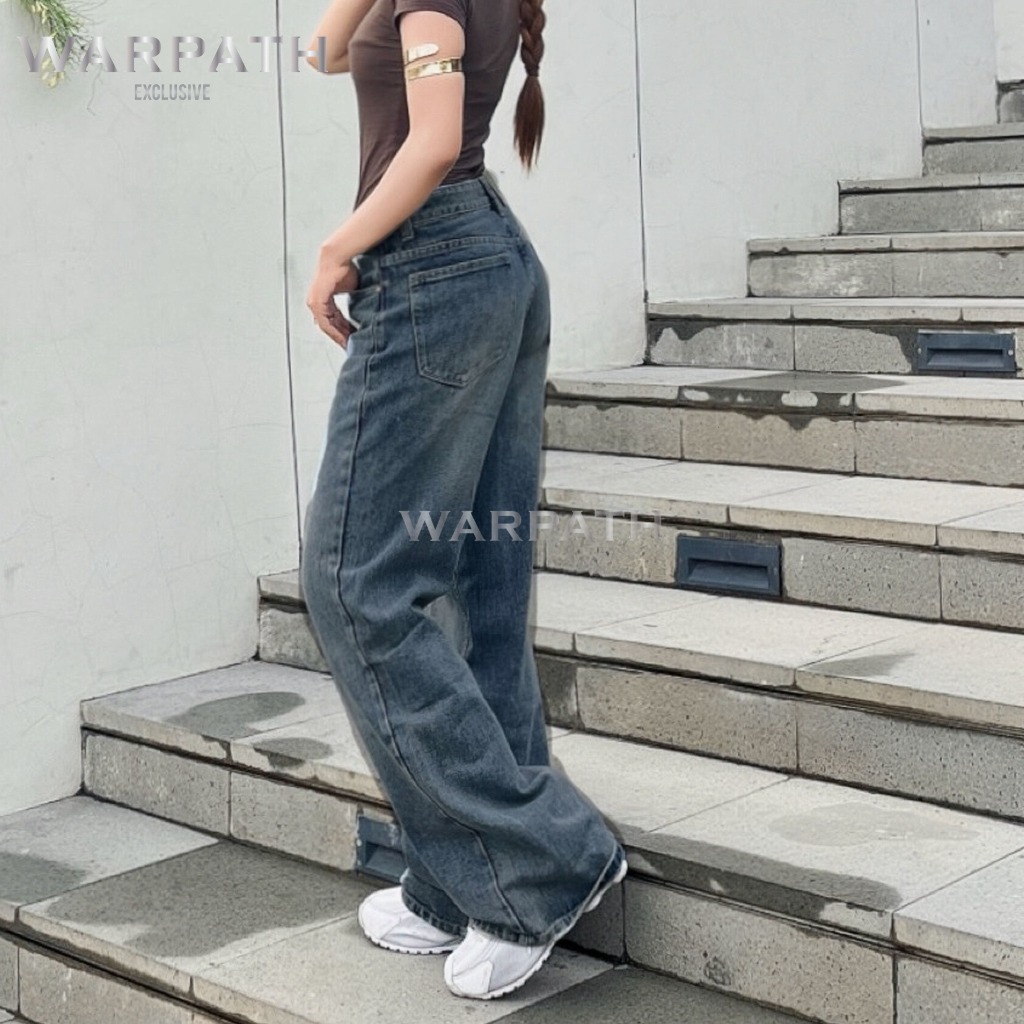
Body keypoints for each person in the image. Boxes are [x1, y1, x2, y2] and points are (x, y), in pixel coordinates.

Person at [300, 0, 627, 1001]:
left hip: (433, 270)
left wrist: (337, 247)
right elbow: (322, 52)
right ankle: (459, 884)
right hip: (479, 258)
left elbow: (434, 139)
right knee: (474, 583)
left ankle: (544, 862)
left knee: (353, 583)